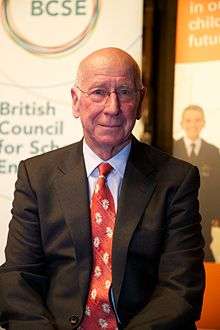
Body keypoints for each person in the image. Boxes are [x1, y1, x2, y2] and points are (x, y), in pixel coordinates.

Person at [0, 48, 204, 330]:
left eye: (124, 92)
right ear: (75, 100)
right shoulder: (37, 176)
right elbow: (18, 277)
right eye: (98, 92)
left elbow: (180, 289)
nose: (113, 107)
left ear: (141, 100)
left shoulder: (176, 180)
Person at [173, 105, 220, 261]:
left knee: (204, 249)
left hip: (204, 212)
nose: (193, 124)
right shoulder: (172, 148)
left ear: (204, 123)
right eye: (188, 120)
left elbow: (217, 185)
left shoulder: (213, 151)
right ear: (182, 123)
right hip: (175, 211)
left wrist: (217, 214)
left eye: (197, 120)